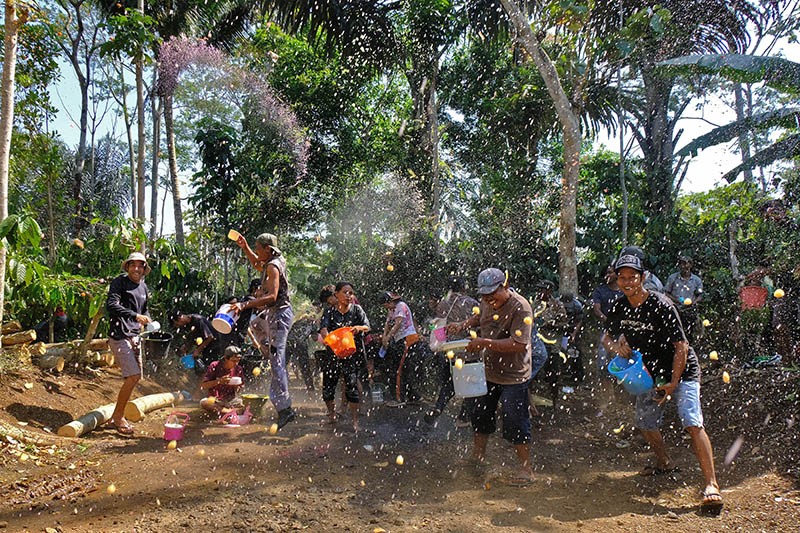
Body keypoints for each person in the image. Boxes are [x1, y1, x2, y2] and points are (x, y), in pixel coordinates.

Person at [602, 254, 722, 511]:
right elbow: (606, 339)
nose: (626, 282)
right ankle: (664, 461)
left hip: (683, 370)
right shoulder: (619, 306)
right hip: (650, 372)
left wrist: (673, 384)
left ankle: (711, 484)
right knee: (645, 422)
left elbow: (681, 346)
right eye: (622, 277)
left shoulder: (662, 305)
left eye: (632, 277)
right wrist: (617, 348)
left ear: (643, 278)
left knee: (692, 421)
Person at [447, 268, 535, 486]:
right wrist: (463, 325)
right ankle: (478, 458)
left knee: (515, 420)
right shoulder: (487, 301)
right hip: (489, 371)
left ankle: (526, 469)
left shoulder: (521, 307)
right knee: (480, 415)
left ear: (505, 286)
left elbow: (518, 344)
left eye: (492, 294)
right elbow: (480, 317)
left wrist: (484, 343)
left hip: (514, 376)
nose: (488, 300)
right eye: (484, 296)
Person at [232, 232, 296, 429]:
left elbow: (272, 297)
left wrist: (245, 305)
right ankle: (282, 405)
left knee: (277, 362)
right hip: (278, 316)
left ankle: (285, 409)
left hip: (279, 315)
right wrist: (245, 248)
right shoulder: (273, 261)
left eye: (258, 248)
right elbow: (257, 265)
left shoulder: (273, 266)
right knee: (275, 360)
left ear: (268, 249)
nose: (257, 251)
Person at [105, 252, 153, 436]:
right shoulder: (119, 282)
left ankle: (116, 415)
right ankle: (118, 417)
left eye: (140, 266)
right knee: (133, 376)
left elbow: (144, 309)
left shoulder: (143, 287)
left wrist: (147, 320)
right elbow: (111, 305)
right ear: (127, 267)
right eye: (133, 265)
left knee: (135, 377)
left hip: (134, 335)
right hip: (119, 335)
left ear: (144, 269)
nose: (136, 269)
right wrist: (134, 316)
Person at [426, 277, 481, 425]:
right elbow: (480, 323)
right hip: (468, 348)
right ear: (463, 288)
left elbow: (436, 326)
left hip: (449, 350)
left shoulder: (443, 304)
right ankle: (463, 417)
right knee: (472, 384)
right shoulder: (472, 303)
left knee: (449, 384)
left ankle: (438, 408)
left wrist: (439, 345)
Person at [319, 281, 371, 431]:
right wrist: (328, 340)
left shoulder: (357, 310)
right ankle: (332, 415)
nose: (349, 295)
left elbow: (367, 326)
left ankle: (355, 421)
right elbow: (323, 328)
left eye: (351, 293)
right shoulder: (329, 312)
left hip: (352, 355)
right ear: (336, 294)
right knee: (328, 388)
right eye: (345, 292)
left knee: (352, 388)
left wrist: (358, 328)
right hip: (333, 354)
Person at [380, 291, 423, 406]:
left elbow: (398, 323)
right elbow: (388, 324)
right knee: (403, 369)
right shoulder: (391, 310)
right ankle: (413, 396)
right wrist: (384, 337)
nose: (387, 308)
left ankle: (399, 398)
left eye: (387, 305)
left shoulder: (401, 306)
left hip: (408, 339)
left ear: (390, 301)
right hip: (401, 340)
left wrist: (388, 337)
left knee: (399, 369)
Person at [534, 279, 568, 407]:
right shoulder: (535, 304)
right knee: (534, 373)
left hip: (553, 344)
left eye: (542, 290)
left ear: (549, 291)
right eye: (539, 290)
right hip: (537, 343)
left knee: (553, 373)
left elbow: (564, 324)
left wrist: (551, 324)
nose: (539, 292)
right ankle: (534, 401)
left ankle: (554, 400)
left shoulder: (557, 305)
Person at [591, 263, 624, 373]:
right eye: (605, 273)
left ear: (616, 274)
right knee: (602, 360)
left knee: (622, 358)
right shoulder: (600, 291)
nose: (607, 275)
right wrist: (608, 321)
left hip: (623, 330)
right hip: (606, 329)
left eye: (610, 272)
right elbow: (596, 310)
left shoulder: (623, 290)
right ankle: (604, 386)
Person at [665, 255, 704, 343]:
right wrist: (676, 300)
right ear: (679, 265)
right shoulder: (673, 278)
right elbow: (666, 293)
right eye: (683, 263)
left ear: (691, 265)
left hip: (690, 311)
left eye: (687, 263)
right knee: (676, 333)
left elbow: (700, 295)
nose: (685, 266)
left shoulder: (696, 280)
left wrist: (694, 302)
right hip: (676, 309)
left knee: (689, 334)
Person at [199, 345, 245, 415]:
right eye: (234, 361)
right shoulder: (215, 366)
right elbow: (204, 386)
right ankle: (230, 412)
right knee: (204, 402)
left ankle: (226, 411)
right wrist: (219, 381)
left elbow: (239, 390)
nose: (236, 363)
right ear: (226, 358)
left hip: (231, 400)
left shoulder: (238, 369)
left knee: (247, 403)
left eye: (238, 361)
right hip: (216, 400)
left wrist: (237, 386)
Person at [559, 292, 584, 387]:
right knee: (561, 353)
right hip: (560, 331)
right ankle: (562, 374)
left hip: (573, 330)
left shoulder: (577, 305)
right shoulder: (557, 303)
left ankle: (576, 376)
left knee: (574, 354)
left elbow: (579, 321)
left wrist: (574, 334)